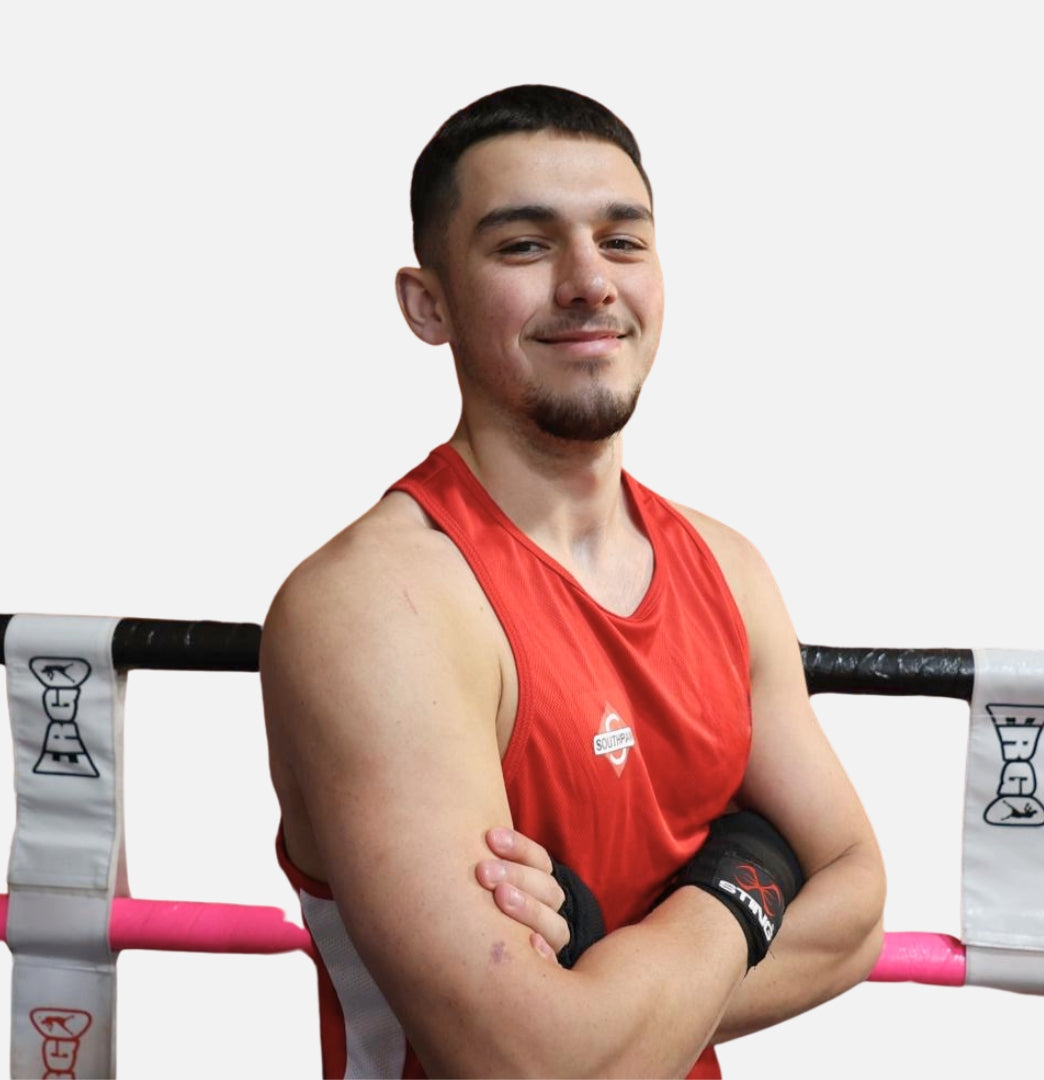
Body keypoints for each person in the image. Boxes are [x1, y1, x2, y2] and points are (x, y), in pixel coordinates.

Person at [259, 84, 886, 1079]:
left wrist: (602, 980)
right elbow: (534, 1063)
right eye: (524, 246)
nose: (589, 281)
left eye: (622, 241)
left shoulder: (727, 570)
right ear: (429, 305)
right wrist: (748, 878)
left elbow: (855, 909)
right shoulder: (380, 607)